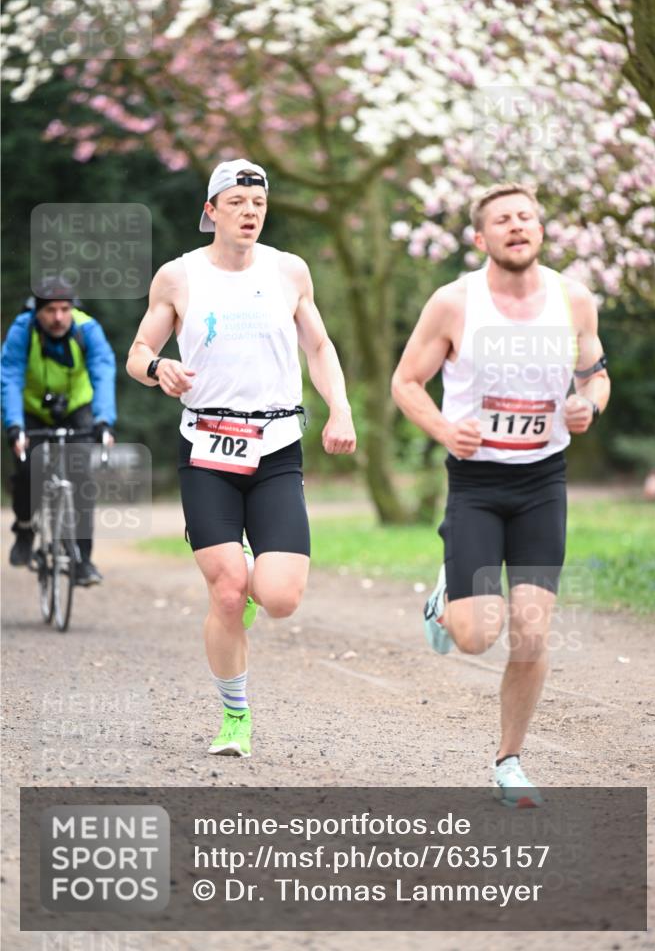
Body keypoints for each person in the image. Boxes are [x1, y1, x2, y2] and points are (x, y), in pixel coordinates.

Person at [126, 158, 356, 758]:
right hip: (206, 447)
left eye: (258, 203)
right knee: (228, 590)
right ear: (212, 211)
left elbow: (320, 346)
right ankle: (235, 716)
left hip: (276, 446)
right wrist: (159, 367)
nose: (250, 212)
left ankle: (253, 576)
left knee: (279, 597)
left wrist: (341, 409)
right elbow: (139, 351)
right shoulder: (179, 277)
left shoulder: (289, 271)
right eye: (236, 203)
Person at [391, 183, 610, 807]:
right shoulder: (453, 303)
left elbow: (596, 377)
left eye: (526, 217)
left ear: (540, 229)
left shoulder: (574, 300)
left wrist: (588, 405)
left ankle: (509, 761)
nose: (517, 226)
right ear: (480, 238)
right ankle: (446, 598)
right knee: (475, 636)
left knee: (532, 633)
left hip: (543, 481)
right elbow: (406, 381)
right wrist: (443, 429)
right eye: (503, 220)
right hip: (477, 483)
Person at [1, 277, 117, 585]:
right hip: (33, 411)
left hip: (77, 407)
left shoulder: (87, 329)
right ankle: (25, 528)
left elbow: (103, 371)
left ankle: (82, 560)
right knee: (28, 470)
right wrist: (14, 425)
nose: (58, 317)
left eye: (65, 309)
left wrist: (104, 420)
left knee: (81, 479)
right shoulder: (22, 330)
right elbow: (10, 376)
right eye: (50, 310)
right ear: (36, 311)